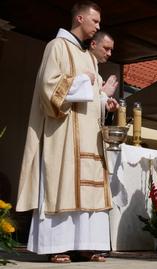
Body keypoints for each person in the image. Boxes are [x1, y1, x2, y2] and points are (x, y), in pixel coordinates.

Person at [16, 1, 118, 263]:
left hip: (88, 136)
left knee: (88, 190)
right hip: (62, 134)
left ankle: (84, 244)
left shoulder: (87, 56)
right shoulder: (56, 46)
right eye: (95, 21)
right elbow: (49, 90)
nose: (98, 26)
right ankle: (56, 245)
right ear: (80, 19)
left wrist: (103, 100)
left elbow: (90, 97)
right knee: (62, 184)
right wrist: (84, 81)